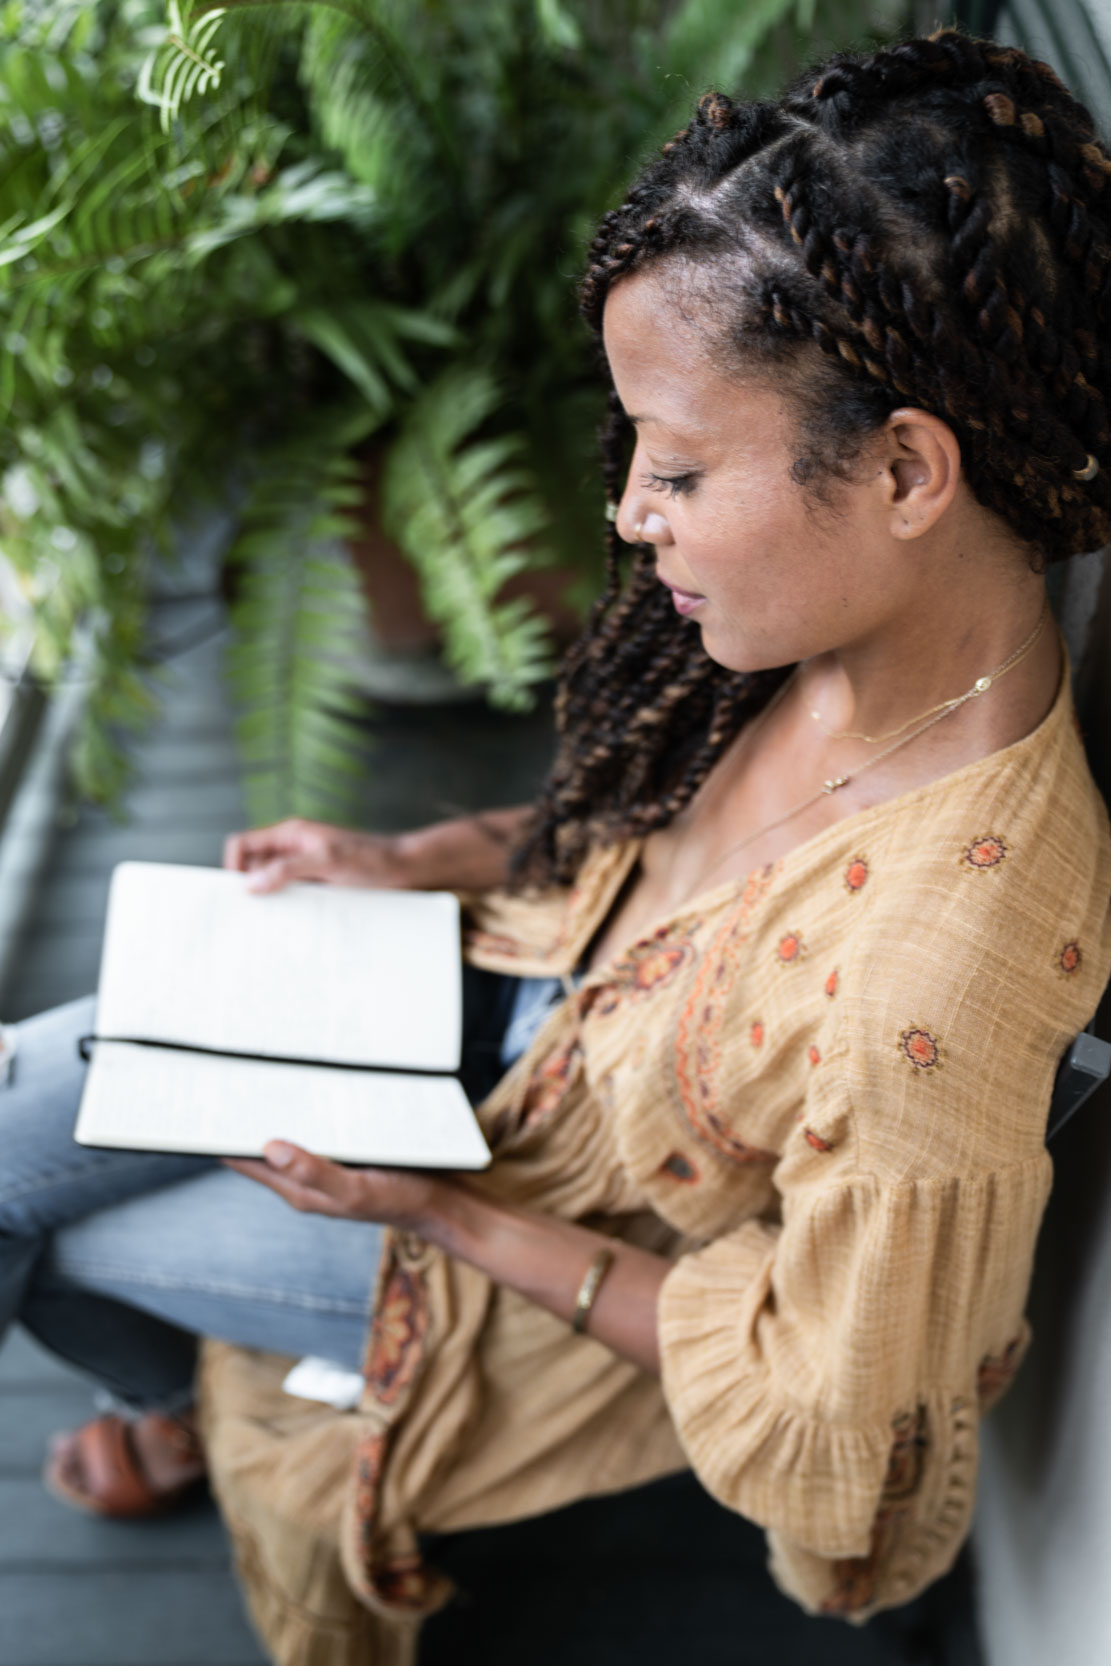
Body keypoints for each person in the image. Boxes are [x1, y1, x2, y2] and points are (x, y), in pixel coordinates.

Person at [3, 25, 1110, 1637]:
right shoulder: (854, 636)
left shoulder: (934, 989)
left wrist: (443, 1217)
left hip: (530, 1224)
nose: (624, 513)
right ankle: (200, 1379)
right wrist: (424, 857)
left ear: (905, 467)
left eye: (673, 468)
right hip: (513, 1024)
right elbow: (675, 864)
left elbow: (827, 1422)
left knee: (50, 1239)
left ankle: (192, 1394)